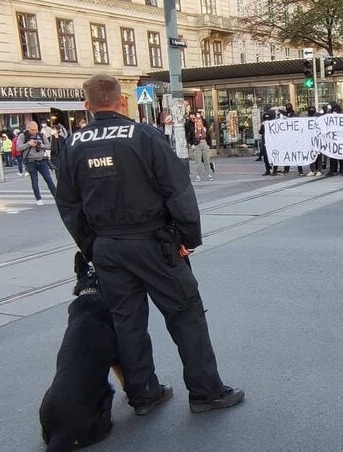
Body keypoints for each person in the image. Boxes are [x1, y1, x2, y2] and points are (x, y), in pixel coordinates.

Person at [56, 74, 243, 416]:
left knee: (126, 321)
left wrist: (92, 246)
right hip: (154, 242)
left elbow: (69, 205)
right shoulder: (144, 135)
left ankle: (143, 394)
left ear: (87, 105)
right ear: (122, 101)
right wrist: (188, 237)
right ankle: (205, 392)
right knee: (186, 313)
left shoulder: (72, 145)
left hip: (107, 246)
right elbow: (177, 190)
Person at [17, 121, 56, 205]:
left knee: (49, 179)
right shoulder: (23, 136)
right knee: (34, 181)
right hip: (30, 161)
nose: (35, 131)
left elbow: (49, 146)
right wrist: (29, 144)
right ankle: (38, 199)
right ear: (28, 128)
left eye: (36, 129)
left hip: (42, 160)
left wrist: (42, 145)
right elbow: (19, 148)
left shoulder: (41, 135)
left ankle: (57, 197)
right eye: (33, 130)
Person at [187, 112, 213, 181]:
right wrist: (192, 144)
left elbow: (209, 137)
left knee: (206, 161)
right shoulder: (193, 130)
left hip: (204, 144)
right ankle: (198, 175)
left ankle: (209, 174)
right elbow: (189, 138)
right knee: (198, 161)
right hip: (197, 145)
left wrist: (209, 145)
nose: (199, 123)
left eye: (200, 122)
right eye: (198, 122)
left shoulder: (204, 129)